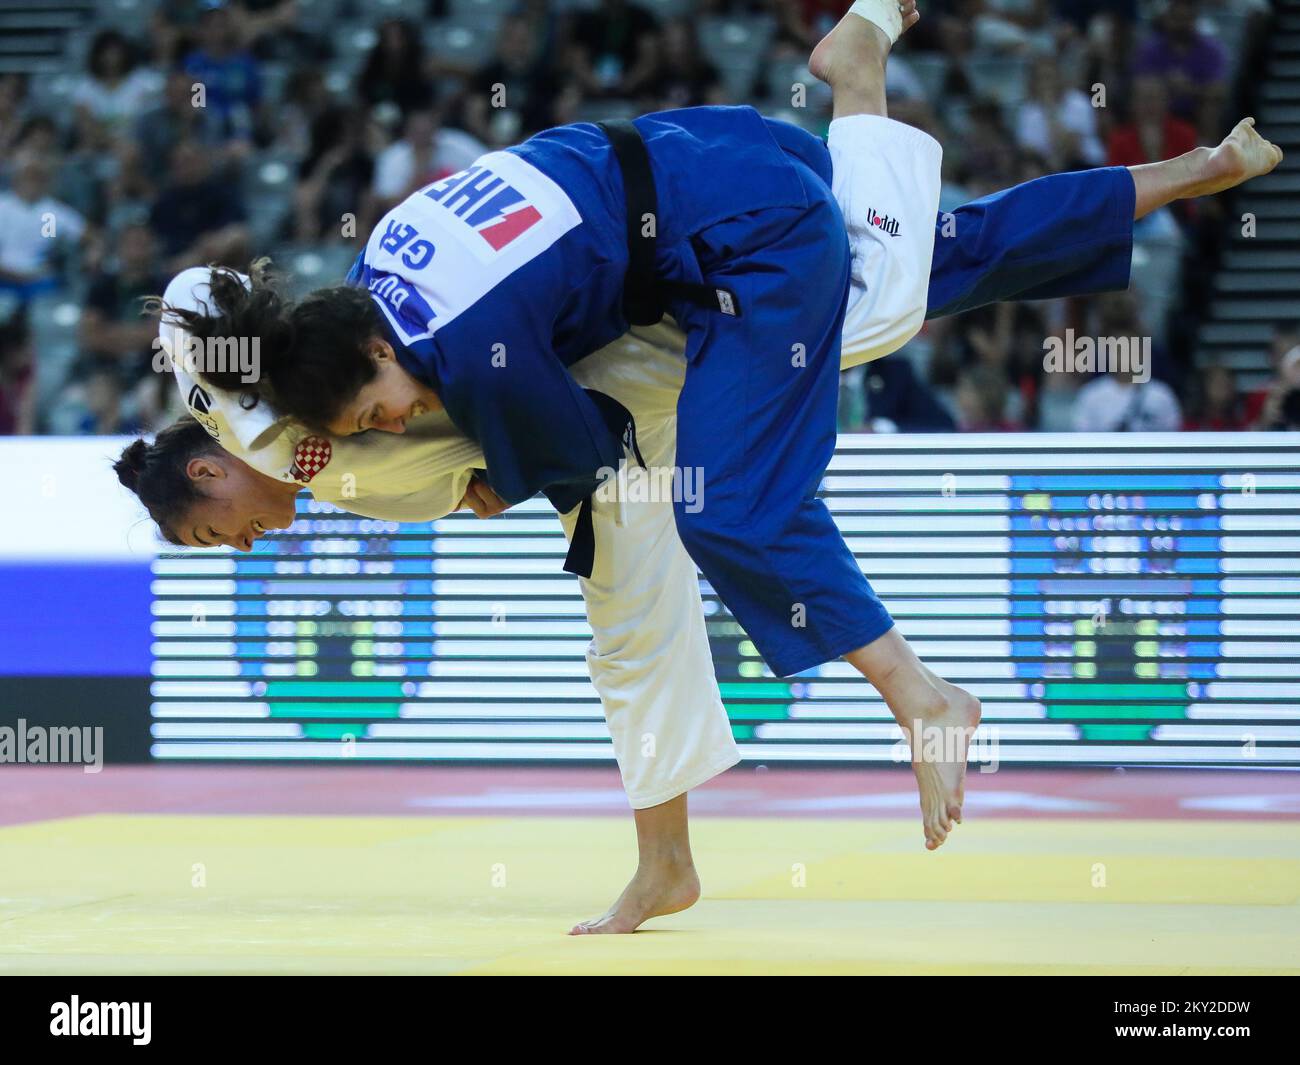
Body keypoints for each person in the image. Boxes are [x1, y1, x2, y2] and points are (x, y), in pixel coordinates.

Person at [146, 0, 1283, 858]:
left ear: (383, 354)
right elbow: (207, 308)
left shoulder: (469, 357)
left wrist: (481, 477)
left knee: (733, 497)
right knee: (934, 260)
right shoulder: (372, 273)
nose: (399, 423)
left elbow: (584, 459)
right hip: (706, 154)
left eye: (382, 413)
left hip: (744, 238)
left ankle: (921, 696)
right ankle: (1181, 163)